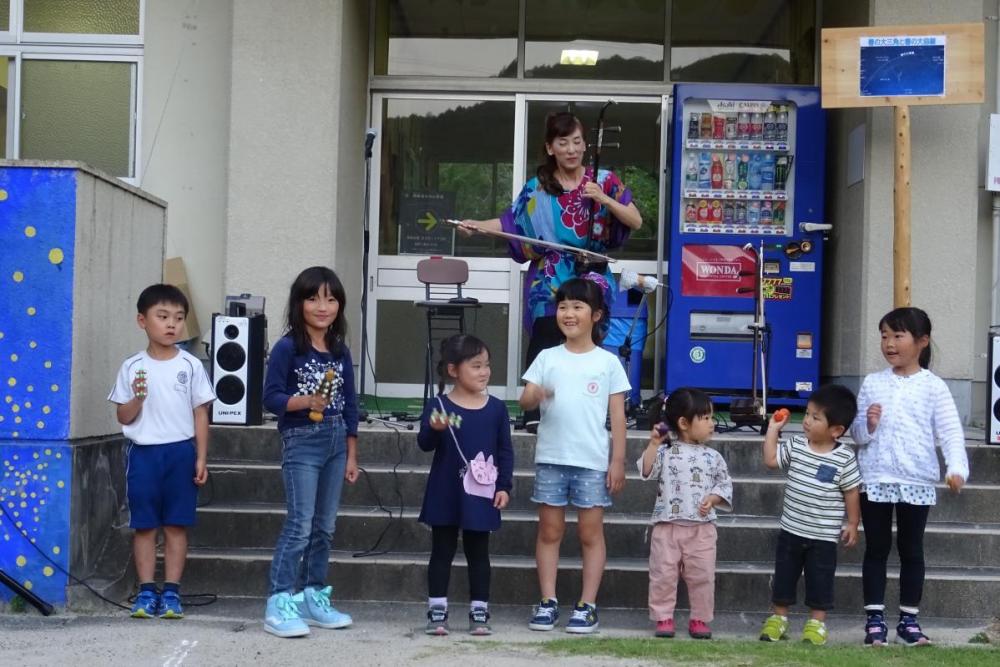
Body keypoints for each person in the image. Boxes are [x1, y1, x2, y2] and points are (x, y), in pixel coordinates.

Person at [460, 110, 642, 431]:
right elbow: (510, 225)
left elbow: (635, 220)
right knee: (546, 335)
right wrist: (477, 227)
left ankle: (586, 409)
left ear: (585, 145)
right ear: (549, 148)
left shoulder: (605, 180)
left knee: (587, 342)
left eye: (576, 142)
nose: (571, 149)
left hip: (591, 274)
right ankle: (533, 411)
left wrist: (603, 199)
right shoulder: (537, 189)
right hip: (549, 276)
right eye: (563, 142)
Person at [849, 307, 969, 646]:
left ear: (922, 341)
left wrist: (956, 469)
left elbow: (950, 432)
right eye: (884, 336)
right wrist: (868, 425)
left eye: (897, 336)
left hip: (917, 481)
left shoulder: (934, 387)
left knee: (911, 550)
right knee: (876, 548)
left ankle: (908, 621)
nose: (888, 344)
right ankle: (874, 621)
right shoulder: (872, 383)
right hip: (874, 478)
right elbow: (857, 434)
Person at [520, 277, 630, 634]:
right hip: (551, 457)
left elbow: (617, 418)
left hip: (592, 461)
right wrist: (534, 397)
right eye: (563, 306)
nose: (568, 313)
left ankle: (587, 605)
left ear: (596, 315)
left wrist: (617, 461)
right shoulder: (546, 357)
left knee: (589, 533)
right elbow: (524, 400)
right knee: (549, 531)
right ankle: (548, 600)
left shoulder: (608, 362)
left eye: (577, 307)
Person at [261, 266, 360, 638]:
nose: (323, 306)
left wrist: (352, 453)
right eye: (313, 298)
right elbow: (269, 397)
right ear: (299, 303)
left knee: (325, 527)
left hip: (336, 441)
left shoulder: (339, 350)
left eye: (331, 299)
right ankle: (278, 601)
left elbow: (350, 406)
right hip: (302, 439)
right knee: (300, 525)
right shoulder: (289, 347)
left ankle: (311, 596)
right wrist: (304, 400)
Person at [108, 284, 215, 619]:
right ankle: (145, 592)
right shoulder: (132, 366)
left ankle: (171, 593)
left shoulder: (191, 365)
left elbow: (201, 412)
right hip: (144, 454)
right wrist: (138, 398)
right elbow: (122, 416)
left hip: (181, 452)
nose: (172, 324)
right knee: (144, 525)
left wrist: (200, 456)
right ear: (143, 321)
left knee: (176, 525)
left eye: (179, 318)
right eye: (163, 316)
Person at [417, 334, 514, 636]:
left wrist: (504, 486)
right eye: (476, 366)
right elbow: (424, 444)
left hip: (482, 491)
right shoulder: (439, 405)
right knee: (441, 550)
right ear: (453, 370)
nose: (484, 371)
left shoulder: (496, 409)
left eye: (487, 365)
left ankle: (480, 610)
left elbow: (505, 450)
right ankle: (437, 609)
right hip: (446, 490)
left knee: (478, 551)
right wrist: (434, 429)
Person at [759, 384, 862, 646]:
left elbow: (851, 491)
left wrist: (852, 523)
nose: (806, 420)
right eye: (807, 413)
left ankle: (817, 623)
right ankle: (778, 619)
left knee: (820, 581)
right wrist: (773, 430)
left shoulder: (845, 458)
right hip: (791, 530)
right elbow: (771, 460)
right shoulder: (796, 445)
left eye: (815, 417)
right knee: (784, 577)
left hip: (824, 537)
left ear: (836, 430)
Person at [638, 388, 733, 640]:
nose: (712, 424)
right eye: (706, 418)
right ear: (683, 423)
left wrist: (713, 499)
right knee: (663, 575)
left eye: (712, 418)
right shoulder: (665, 451)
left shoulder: (714, 457)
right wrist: (653, 443)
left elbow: (724, 485)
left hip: (702, 528)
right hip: (667, 525)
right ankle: (663, 617)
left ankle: (700, 618)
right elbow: (646, 470)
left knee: (702, 575)